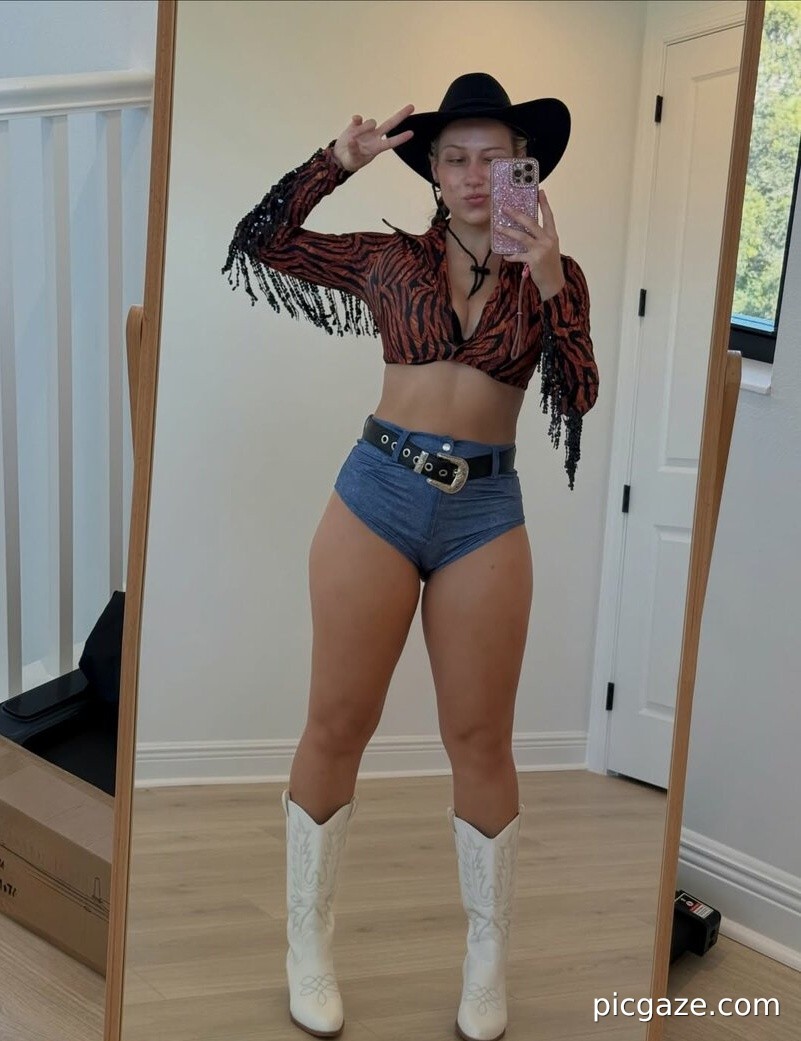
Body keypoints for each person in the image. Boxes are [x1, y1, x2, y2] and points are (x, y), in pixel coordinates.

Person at [223, 72, 598, 1041]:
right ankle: (308, 943)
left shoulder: (556, 274)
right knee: (337, 723)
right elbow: (261, 242)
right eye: (456, 158)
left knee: (480, 740)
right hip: (377, 494)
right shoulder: (390, 261)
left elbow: (579, 394)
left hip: (486, 512)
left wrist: (550, 280)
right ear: (432, 169)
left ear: (524, 169)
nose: (475, 176)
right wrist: (334, 163)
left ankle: (486, 963)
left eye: (495, 159)